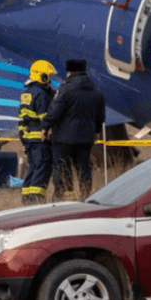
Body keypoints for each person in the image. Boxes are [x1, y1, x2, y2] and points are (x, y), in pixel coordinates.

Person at [43, 59, 106, 201]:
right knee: (84, 169)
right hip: (86, 138)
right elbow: (100, 117)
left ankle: (60, 196)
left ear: (69, 72)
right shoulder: (97, 93)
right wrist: (95, 132)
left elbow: (54, 112)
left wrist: (45, 127)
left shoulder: (65, 90)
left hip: (64, 139)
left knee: (61, 167)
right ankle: (85, 196)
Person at [19, 59, 57, 204]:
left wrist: (23, 139)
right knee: (42, 169)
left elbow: (21, 120)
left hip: (29, 138)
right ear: (42, 76)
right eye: (48, 76)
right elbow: (44, 118)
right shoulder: (41, 95)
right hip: (40, 139)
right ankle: (36, 200)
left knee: (32, 168)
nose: (50, 80)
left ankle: (26, 198)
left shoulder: (27, 93)